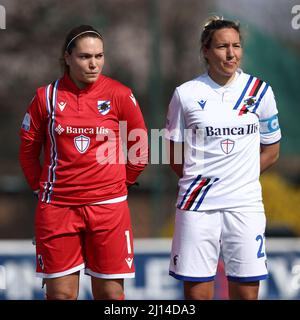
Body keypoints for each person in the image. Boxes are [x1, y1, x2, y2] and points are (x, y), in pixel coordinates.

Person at [19, 25, 148, 300]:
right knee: (61, 295)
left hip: (108, 209)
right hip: (58, 209)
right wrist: (37, 187)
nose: (93, 64)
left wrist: (119, 183)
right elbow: (28, 149)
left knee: (111, 295)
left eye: (99, 56)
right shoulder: (46, 97)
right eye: (84, 57)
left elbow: (140, 146)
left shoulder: (120, 94)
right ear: (67, 57)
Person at [165, 16, 281, 300]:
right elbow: (173, 154)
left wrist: (240, 179)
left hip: (245, 206)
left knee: (246, 293)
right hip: (197, 206)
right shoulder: (185, 94)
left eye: (236, 46)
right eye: (222, 47)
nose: (231, 54)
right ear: (206, 51)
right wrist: (201, 182)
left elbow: (271, 151)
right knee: (197, 293)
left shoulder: (260, 92)